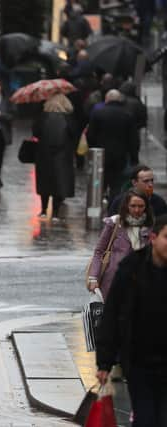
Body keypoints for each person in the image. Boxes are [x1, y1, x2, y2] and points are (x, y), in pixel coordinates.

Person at [95, 214, 167, 426]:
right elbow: (113, 313)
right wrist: (105, 362)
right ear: (153, 237)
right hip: (139, 362)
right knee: (145, 418)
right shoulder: (132, 268)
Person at [88, 189, 154, 300]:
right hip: (113, 281)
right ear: (126, 206)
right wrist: (93, 278)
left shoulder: (151, 228)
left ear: (146, 207)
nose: (137, 210)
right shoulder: (115, 223)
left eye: (141, 206)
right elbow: (99, 251)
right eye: (133, 206)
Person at [32, 93, 77, 221]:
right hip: (62, 156)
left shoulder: (43, 116)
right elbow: (74, 134)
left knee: (44, 182)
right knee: (59, 183)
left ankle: (44, 210)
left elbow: (35, 132)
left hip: (43, 155)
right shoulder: (68, 118)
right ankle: (56, 213)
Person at [87, 89, 138, 200]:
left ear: (106, 99)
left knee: (100, 181)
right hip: (121, 155)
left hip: (101, 155)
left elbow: (90, 135)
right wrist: (134, 157)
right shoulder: (127, 114)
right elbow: (133, 138)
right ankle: (113, 207)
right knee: (117, 184)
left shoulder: (98, 113)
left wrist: (92, 149)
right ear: (119, 99)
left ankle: (99, 202)